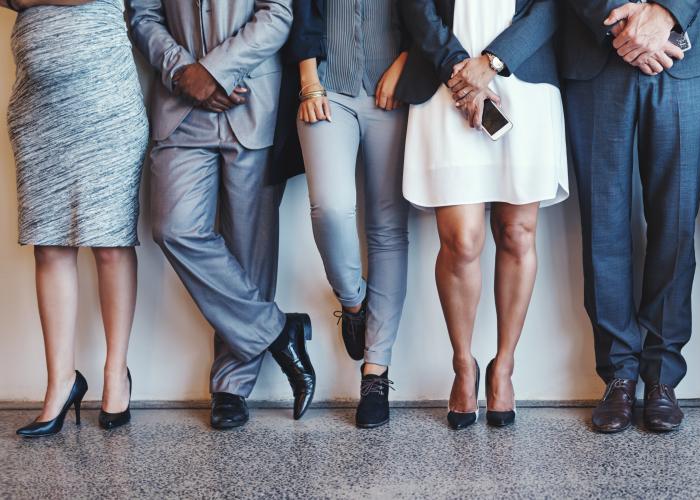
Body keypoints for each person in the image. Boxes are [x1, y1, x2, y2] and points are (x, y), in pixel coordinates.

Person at [129, 0, 316, 430]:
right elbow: (142, 14)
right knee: (174, 228)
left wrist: (215, 71)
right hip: (180, 109)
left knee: (251, 251)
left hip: (252, 100)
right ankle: (276, 330)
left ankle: (232, 385)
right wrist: (182, 72)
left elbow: (279, 13)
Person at [399, 0, 569, 430]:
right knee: (462, 241)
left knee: (517, 232)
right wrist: (460, 69)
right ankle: (463, 365)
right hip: (447, 82)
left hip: (523, 72)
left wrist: (493, 62)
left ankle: (504, 368)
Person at [560, 0, 700, 433]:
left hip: (683, 52)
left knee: (677, 222)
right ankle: (618, 373)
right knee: (603, 224)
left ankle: (662, 377)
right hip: (595, 51)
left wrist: (666, 13)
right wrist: (621, 19)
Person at [6, 0, 148, 437]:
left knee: (110, 244)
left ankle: (115, 376)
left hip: (106, 101)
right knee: (49, 246)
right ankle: (60, 384)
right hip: (37, 109)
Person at [272, 0, 411, 428]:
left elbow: (432, 11)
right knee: (330, 207)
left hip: (395, 86)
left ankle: (375, 373)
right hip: (327, 88)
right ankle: (354, 305)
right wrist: (308, 79)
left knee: (387, 227)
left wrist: (406, 63)